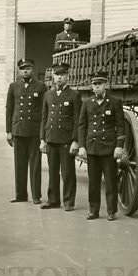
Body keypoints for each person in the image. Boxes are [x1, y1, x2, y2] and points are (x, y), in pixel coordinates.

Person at [78, 70, 126, 221]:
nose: (97, 87)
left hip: (109, 148)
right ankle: (93, 210)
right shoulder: (87, 103)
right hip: (92, 148)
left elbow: (120, 126)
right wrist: (82, 146)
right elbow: (82, 126)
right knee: (93, 182)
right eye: (94, 84)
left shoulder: (115, 102)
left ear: (106, 85)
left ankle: (112, 211)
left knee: (111, 181)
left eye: (100, 84)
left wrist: (119, 146)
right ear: (91, 86)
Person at [5, 59, 46, 204]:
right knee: (19, 165)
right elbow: (9, 109)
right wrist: (8, 131)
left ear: (32, 69)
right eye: (23, 69)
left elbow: (44, 111)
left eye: (28, 68)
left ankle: (36, 196)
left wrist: (42, 134)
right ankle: (20, 195)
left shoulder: (41, 86)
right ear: (19, 71)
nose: (25, 71)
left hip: (34, 131)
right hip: (18, 130)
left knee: (35, 166)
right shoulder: (13, 86)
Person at [40, 63, 79, 211]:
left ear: (67, 77)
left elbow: (77, 120)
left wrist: (75, 140)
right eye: (57, 75)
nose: (59, 78)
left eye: (62, 75)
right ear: (53, 77)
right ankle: (53, 200)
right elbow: (44, 118)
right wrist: (42, 139)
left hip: (66, 140)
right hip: (51, 138)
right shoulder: (48, 95)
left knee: (68, 173)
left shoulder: (74, 95)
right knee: (52, 172)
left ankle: (69, 201)